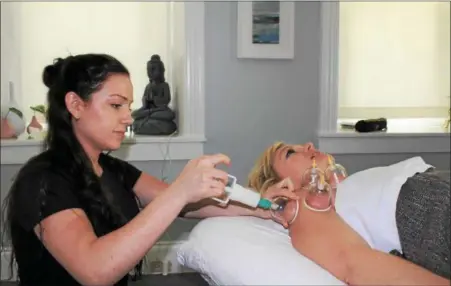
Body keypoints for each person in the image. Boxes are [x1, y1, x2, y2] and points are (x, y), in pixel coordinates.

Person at [0, 54, 296, 286]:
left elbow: (188, 206)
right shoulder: (42, 181)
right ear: (76, 105)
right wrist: (179, 193)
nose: (128, 118)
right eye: (116, 105)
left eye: (129, 106)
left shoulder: (111, 168)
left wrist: (259, 207)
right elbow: (95, 271)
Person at [248, 141, 450, 285]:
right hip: (433, 214)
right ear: (281, 186)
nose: (308, 145)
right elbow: (353, 263)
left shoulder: (340, 188)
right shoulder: (301, 205)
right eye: (290, 153)